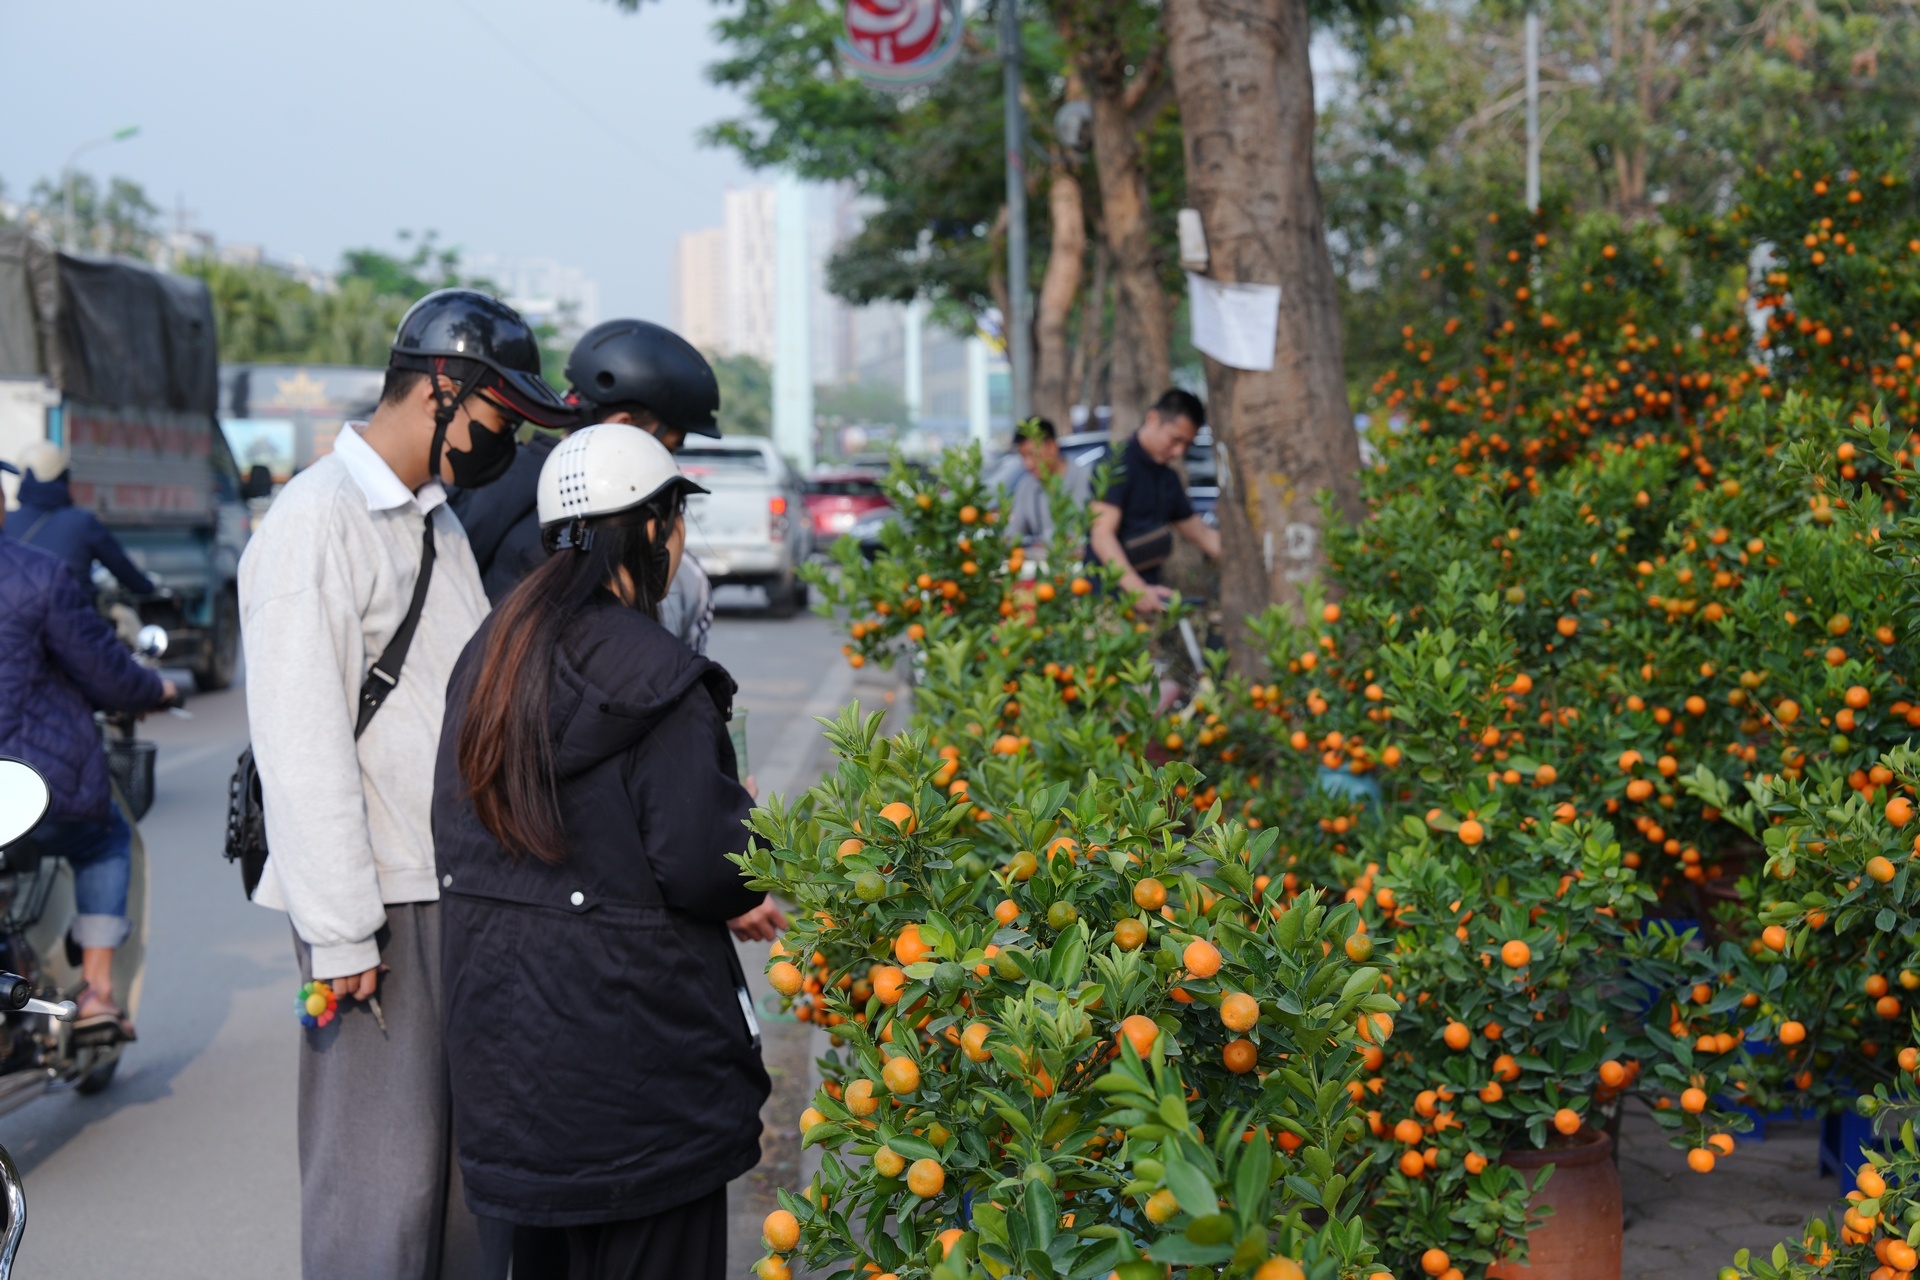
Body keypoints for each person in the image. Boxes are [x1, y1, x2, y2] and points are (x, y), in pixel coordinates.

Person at [239, 288, 579, 1280]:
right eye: (500, 417)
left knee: (467, 1194)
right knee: (378, 1188)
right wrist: (343, 928)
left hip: (456, 889)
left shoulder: (434, 523)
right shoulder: (317, 522)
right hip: (379, 901)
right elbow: (301, 743)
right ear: (443, 388)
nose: (506, 441)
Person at [434, 423, 779, 1280]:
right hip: (638, 1082)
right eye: (677, 520)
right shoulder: (658, 671)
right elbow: (703, 865)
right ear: (653, 529)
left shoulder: (491, 654)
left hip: (511, 1073)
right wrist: (747, 838)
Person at [451, 318, 721, 652]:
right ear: (625, 426)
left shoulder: (502, 479)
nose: (670, 467)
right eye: (670, 448)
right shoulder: (593, 527)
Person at [0, 525, 173, 1039]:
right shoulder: (38, 575)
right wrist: (155, 689)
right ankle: (98, 992)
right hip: (31, 788)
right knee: (105, 840)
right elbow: (106, 672)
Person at [1088, 388, 1222, 611]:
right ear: (1153, 418)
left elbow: (1202, 535)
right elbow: (1101, 534)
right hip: (1106, 603)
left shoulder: (1168, 478)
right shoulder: (1117, 463)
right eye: (1175, 439)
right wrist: (1136, 588)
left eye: (1186, 445)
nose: (1178, 451)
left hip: (1148, 602)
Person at [2, 441, 158, 597]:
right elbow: (124, 570)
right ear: (63, 477)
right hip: (70, 617)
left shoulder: (6, 522)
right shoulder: (83, 523)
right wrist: (146, 587)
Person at [1003, 417, 1092, 553]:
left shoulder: (1088, 480)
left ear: (1052, 446)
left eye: (1032, 454)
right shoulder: (1026, 486)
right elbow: (1012, 534)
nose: (1028, 464)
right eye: (1023, 456)